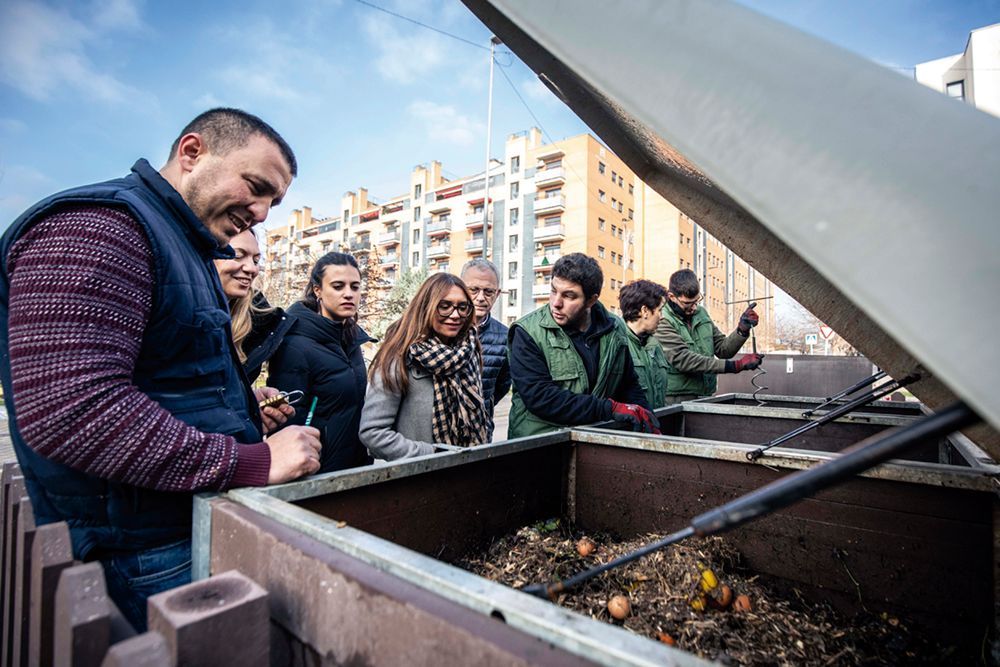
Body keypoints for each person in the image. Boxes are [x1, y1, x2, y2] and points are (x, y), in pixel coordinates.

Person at [0, 108, 322, 631]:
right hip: (143, 549)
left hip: (178, 529)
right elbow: (72, 411)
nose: (262, 213)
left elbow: (170, 381)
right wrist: (251, 462)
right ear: (193, 153)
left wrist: (242, 409)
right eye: (256, 187)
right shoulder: (102, 225)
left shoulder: (182, 244)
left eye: (274, 202)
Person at [507, 253, 659, 438]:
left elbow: (628, 383)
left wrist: (647, 420)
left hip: (591, 441)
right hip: (540, 443)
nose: (556, 303)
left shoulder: (615, 329)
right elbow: (540, 397)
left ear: (591, 300)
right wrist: (609, 409)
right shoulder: (527, 331)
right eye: (553, 291)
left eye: (569, 296)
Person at [360, 273, 489, 459]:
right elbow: (373, 433)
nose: (455, 315)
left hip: (468, 466)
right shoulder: (398, 357)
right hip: (421, 472)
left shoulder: (469, 351)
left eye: (463, 307)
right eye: (444, 306)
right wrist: (433, 454)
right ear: (426, 307)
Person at [268, 253, 374, 473]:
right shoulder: (294, 345)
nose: (348, 294)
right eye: (338, 286)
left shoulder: (351, 339)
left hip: (356, 468)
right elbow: (286, 421)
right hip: (317, 474)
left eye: (355, 287)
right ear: (318, 290)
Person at [654, 268, 763, 404]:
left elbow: (723, 350)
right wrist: (737, 365)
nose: (694, 307)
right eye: (687, 303)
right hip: (676, 398)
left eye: (697, 300)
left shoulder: (701, 313)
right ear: (671, 297)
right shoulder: (662, 318)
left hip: (705, 393)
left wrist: (742, 330)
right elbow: (684, 359)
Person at [214, 228, 296, 382]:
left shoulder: (259, 324)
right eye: (238, 255)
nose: (252, 268)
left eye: (256, 261)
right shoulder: (177, 312)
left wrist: (249, 395)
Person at [459, 258, 511, 440]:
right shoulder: (442, 328)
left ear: (497, 294)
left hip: (479, 432)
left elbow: (502, 386)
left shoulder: (505, 336)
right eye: (473, 290)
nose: (481, 297)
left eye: (488, 291)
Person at [617, 280, 671, 408]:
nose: (662, 317)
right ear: (645, 311)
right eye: (660, 310)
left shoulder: (655, 345)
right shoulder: (617, 344)